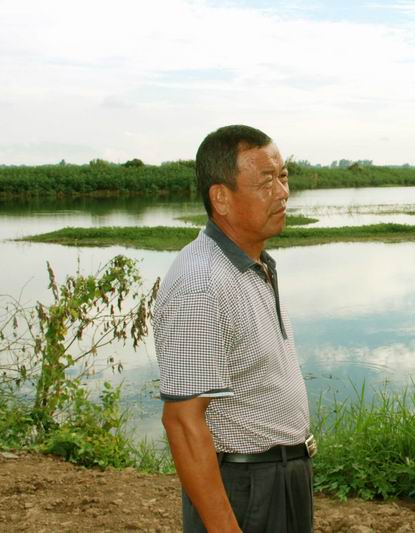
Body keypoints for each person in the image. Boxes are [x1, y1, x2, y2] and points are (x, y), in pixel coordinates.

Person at [152, 125, 314, 533]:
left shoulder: (253, 264)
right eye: (266, 181)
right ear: (221, 197)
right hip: (245, 487)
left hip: (281, 476)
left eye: (283, 177)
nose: (282, 192)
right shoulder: (201, 284)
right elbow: (183, 423)